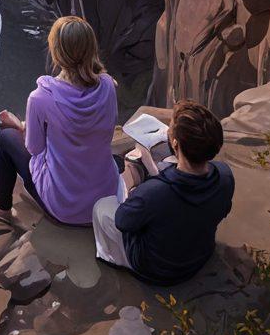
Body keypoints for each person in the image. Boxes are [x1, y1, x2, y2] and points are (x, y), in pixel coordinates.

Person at [0, 15, 119, 226]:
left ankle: (0, 204)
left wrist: (22, 128)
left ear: (56, 52)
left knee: (6, 137)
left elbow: (34, 149)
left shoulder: (41, 98)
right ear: (91, 48)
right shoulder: (108, 86)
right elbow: (105, 129)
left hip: (65, 207)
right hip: (105, 196)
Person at [93, 99, 234, 285]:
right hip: (199, 254)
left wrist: (135, 192)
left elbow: (123, 221)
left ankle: (110, 256)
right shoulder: (224, 174)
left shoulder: (153, 193)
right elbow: (222, 209)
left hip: (156, 269)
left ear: (175, 143)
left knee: (102, 207)